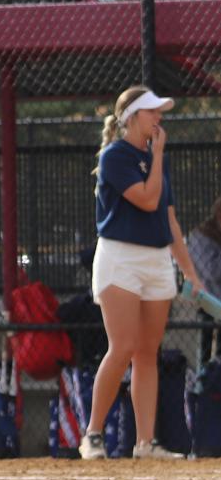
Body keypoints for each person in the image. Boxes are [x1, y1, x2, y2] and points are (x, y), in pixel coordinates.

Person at [81, 87, 204, 460]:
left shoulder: (154, 160)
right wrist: (159, 155)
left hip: (155, 261)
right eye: (152, 112)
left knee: (147, 353)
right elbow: (147, 199)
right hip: (120, 257)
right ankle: (93, 435)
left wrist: (190, 272)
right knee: (123, 347)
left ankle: (145, 443)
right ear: (132, 117)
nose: (159, 118)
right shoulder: (116, 154)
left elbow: (168, 220)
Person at [187, 198, 221, 364]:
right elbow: (212, 272)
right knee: (205, 340)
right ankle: (203, 380)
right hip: (206, 296)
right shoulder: (202, 236)